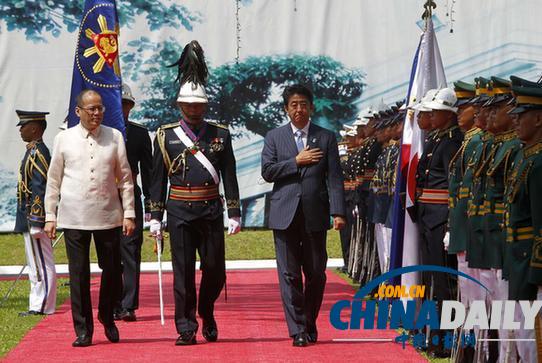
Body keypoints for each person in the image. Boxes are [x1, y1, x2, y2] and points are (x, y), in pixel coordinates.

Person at [149, 40, 241, 346]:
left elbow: (229, 174)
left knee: (215, 271)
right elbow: (157, 178)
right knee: (183, 274)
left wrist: (235, 211)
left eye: (199, 105)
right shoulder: (165, 135)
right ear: (179, 106)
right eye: (189, 105)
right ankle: (186, 327)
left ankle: (207, 310)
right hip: (178, 211)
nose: (194, 110)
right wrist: (154, 216)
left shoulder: (220, 134)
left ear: (206, 105)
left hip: (211, 210)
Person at [44, 89, 136, 347]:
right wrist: (50, 215)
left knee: (112, 271)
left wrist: (129, 213)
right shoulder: (63, 139)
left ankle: (108, 317)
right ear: (78, 111)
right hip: (74, 217)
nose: (96, 113)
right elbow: (53, 180)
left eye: (100, 108)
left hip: (108, 215)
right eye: (91, 109)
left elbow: (126, 179)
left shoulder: (115, 136)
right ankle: (83, 328)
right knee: (79, 273)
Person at [261, 84, 346, 347]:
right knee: (289, 274)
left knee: (316, 273)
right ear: (286, 109)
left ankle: (309, 323)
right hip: (284, 213)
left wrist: (338, 212)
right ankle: (297, 329)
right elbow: (268, 171)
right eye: (294, 105)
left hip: (315, 215)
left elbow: (335, 178)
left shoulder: (326, 137)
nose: (299, 109)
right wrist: (296, 161)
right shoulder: (274, 137)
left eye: (303, 104)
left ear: (311, 107)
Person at [114, 83, 152, 322]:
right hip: (105, 199)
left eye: (127, 105)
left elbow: (148, 170)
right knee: (109, 253)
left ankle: (129, 305)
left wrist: (151, 203)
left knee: (130, 251)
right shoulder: (102, 134)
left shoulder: (139, 134)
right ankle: (113, 301)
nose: (123, 109)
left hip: (130, 198)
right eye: (119, 104)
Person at [14, 110, 57, 317]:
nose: (21, 130)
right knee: (36, 262)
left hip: (34, 217)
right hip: (29, 216)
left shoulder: (38, 153)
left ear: (34, 128)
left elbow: (40, 188)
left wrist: (37, 220)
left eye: (23, 126)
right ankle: (37, 303)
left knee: (40, 262)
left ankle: (42, 305)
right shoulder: (32, 151)